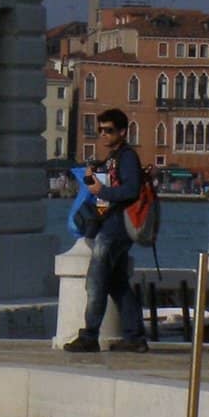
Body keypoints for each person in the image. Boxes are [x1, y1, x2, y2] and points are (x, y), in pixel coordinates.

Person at [63, 106, 148, 353]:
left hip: (117, 228)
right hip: (111, 225)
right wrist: (91, 179)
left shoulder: (128, 157)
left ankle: (89, 336)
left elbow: (131, 190)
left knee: (96, 281)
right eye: (100, 130)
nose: (103, 135)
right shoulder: (113, 158)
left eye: (109, 130)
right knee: (117, 283)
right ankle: (135, 337)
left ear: (122, 132)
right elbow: (104, 185)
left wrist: (102, 191)